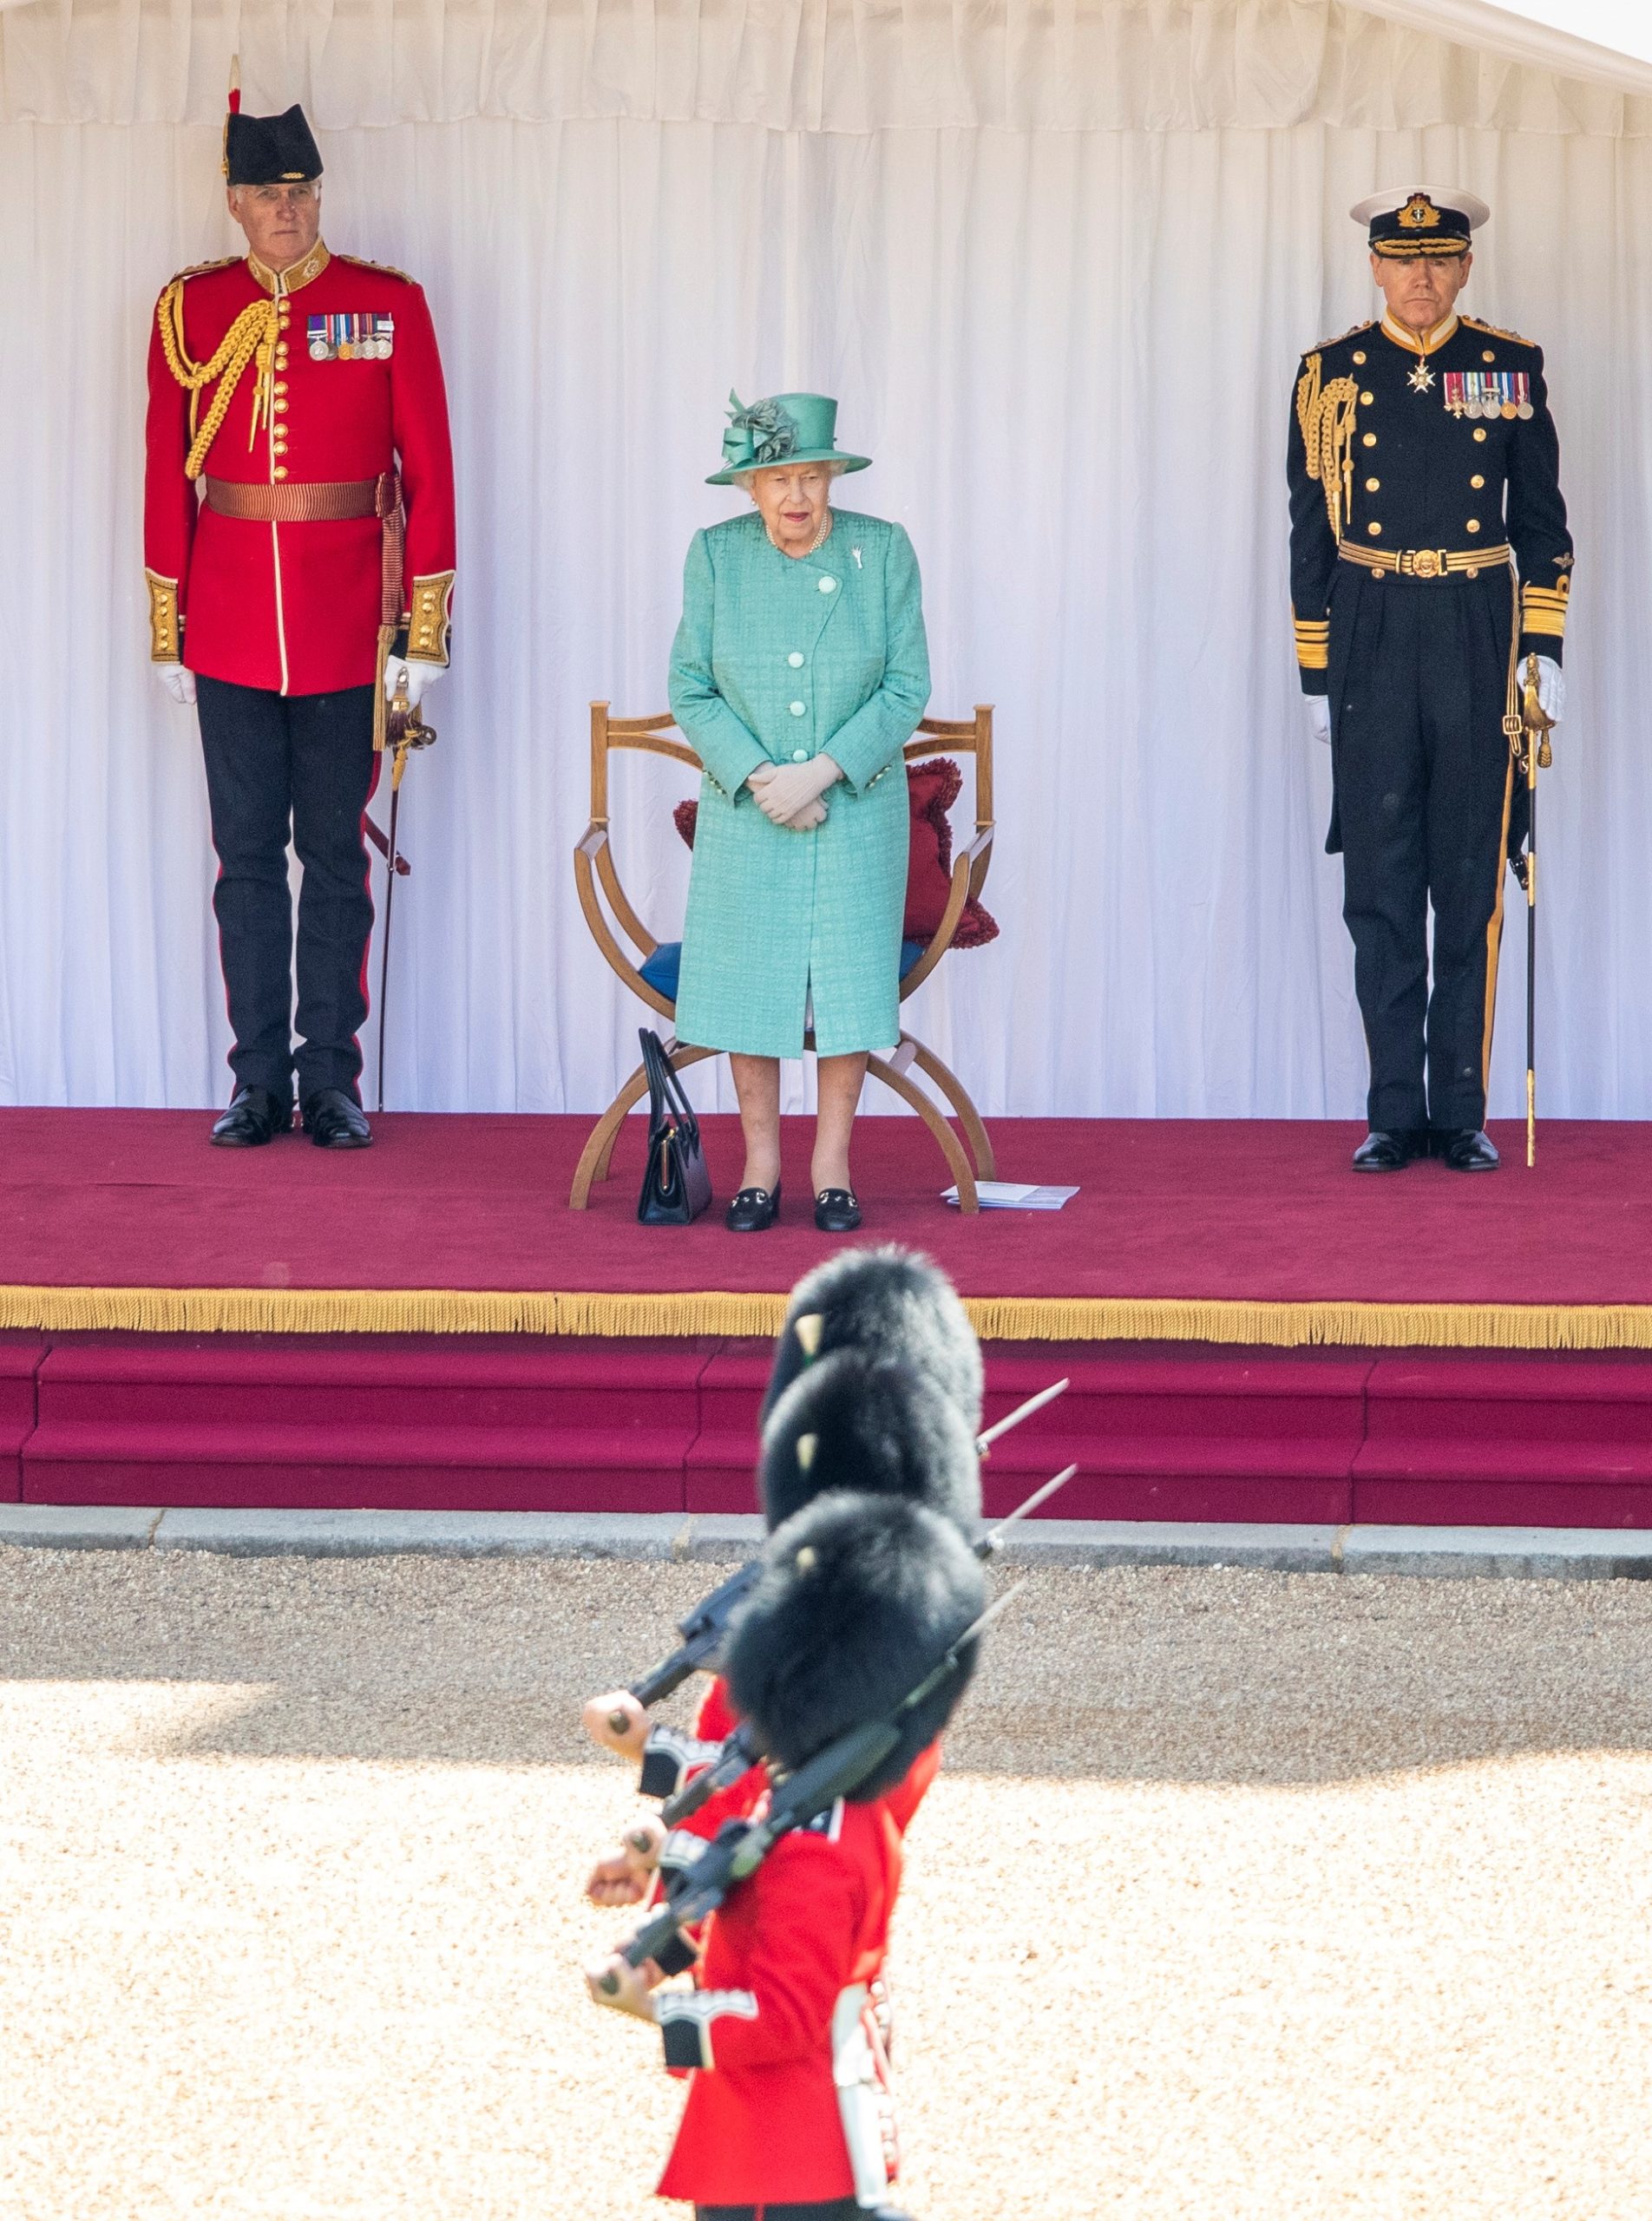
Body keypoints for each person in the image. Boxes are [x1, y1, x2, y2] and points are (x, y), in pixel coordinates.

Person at [144, 82, 456, 1149]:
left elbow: (432, 475)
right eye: (267, 192)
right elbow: (162, 472)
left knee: (333, 856)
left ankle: (330, 1080)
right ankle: (256, 1083)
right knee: (243, 859)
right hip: (229, 623)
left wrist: (424, 632)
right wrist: (166, 622)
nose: (288, 208)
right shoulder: (190, 311)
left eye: (303, 189)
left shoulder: (388, 305)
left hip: (346, 625)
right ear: (233, 203)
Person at [585, 1490, 988, 2221]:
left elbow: (781, 2012)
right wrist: (655, 1939)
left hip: (791, 2134)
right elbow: (727, 1860)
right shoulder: (813, 1806)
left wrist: (655, 2007)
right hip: (776, 2121)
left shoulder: (820, 1846)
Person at [1288, 189, 1572, 1173]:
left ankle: (1458, 1109)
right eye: (1402, 260)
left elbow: (1541, 526)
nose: (1420, 278)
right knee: (1378, 881)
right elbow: (1309, 536)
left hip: (1473, 626)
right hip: (1368, 621)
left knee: (1466, 876)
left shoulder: (1507, 366)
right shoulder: (1327, 376)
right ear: (1372, 266)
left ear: (1462, 269)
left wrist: (1540, 657)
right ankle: (1387, 1112)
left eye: (1439, 260)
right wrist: (1316, 680)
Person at [669, 392, 931, 1233]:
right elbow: (690, 686)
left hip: (853, 810)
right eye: (776, 478)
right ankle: (758, 1166)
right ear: (747, 488)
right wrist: (757, 778)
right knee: (752, 982)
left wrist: (821, 771)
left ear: (830, 479)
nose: (795, 496)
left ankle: (831, 1166)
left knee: (847, 983)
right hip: (749, 815)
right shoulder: (715, 556)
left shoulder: (881, 551)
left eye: (810, 476)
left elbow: (905, 686)